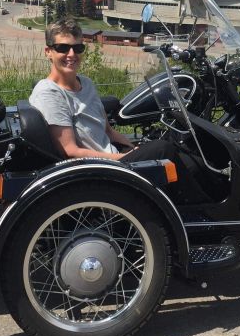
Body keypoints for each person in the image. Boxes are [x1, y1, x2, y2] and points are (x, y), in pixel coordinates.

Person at [29, 18, 215, 203]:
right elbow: (71, 151)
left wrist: (134, 149)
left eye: (78, 48)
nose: (71, 54)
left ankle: (218, 201)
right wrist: (122, 157)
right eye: (63, 48)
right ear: (48, 52)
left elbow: (109, 131)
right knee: (162, 149)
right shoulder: (50, 93)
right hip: (95, 169)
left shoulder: (85, 83)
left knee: (186, 155)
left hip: (112, 159)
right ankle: (203, 210)